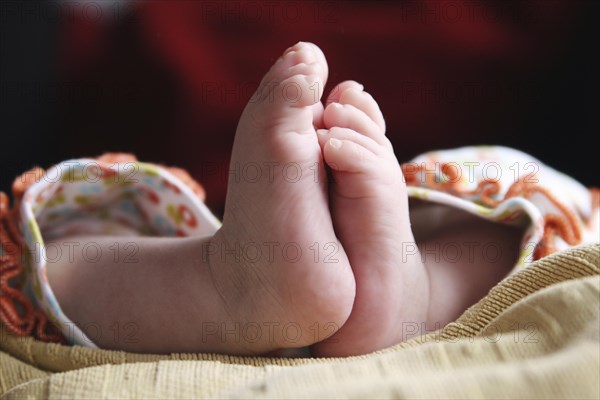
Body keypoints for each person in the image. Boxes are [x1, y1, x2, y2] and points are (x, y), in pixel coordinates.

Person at [1, 42, 597, 357]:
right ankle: (403, 291)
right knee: (536, 208)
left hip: (225, 212)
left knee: (43, 263)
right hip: (232, 216)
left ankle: (232, 282)